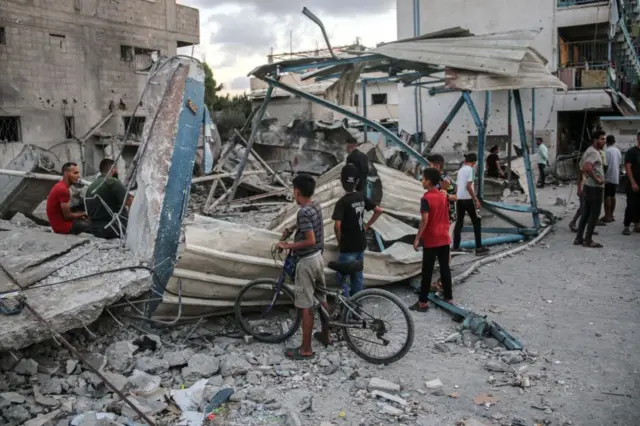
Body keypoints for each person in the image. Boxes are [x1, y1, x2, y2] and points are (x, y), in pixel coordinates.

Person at [278, 173, 330, 359]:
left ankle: (306, 349)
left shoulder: (303, 212)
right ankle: (326, 335)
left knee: (305, 305)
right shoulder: (314, 205)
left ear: (297, 191)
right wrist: (292, 228)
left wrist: (287, 245)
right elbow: (308, 224)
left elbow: (310, 240)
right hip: (318, 258)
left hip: (307, 261)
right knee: (321, 296)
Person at [331, 164, 383, 297]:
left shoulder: (342, 202)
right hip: (360, 243)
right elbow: (378, 211)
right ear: (358, 181)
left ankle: (346, 305)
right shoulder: (361, 196)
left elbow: (337, 226)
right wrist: (367, 226)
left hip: (348, 246)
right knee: (358, 276)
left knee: (342, 277)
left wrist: (339, 241)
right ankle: (357, 307)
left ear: (341, 181)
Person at [410, 168, 453, 312]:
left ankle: (422, 303)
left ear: (427, 181)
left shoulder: (426, 198)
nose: (422, 181)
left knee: (427, 271)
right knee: (445, 269)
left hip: (431, 239)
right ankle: (449, 298)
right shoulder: (443, 196)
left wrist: (417, 238)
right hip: (444, 238)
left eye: (423, 178)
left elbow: (424, 220)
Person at [85, 159, 133, 239]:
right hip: (113, 229)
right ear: (113, 169)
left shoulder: (91, 186)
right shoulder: (113, 182)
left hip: (95, 230)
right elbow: (130, 202)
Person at [453, 153, 489, 256]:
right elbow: (469, 186)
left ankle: (455, 247)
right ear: (474, 162)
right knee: (476, 222)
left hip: (459, 199)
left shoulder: (460, 170)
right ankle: (478, 247)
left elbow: (456, 186)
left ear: (465, 161)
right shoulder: (471, 170)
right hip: (468, 199)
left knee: (459, 222)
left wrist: (457, 195)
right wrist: (475, 199)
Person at [574, 130, 606, 247]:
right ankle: (588, 240)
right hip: (595, 188)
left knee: (586, 214)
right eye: (602, 139)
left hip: (588, 187)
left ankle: (579, 238)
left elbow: (581, 168)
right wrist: (598, 180)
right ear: (595, 140)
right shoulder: (594, 153)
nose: (604, 141)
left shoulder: (588, 151)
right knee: (594, 214)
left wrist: (580, 187)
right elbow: (587, 167)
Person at [46, 162, 89, 235]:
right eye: (75, 173)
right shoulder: (63, 189)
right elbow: (67, 216)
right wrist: (83, 214)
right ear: (66, 174)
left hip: (59, 223)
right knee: (93, 226)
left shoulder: (61, 185)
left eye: (78, 173)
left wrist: (79, 215)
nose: (78, 176)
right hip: (63, 227)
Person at [622, 131, 640, 235]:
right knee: (631, 204)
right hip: (633, 183)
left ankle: (637, 224)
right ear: (638, 138)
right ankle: (626, 226)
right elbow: (628, 168)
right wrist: (633, 183)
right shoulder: (632, 152)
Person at [602, 135, 621, 223]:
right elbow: (620, 163)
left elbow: (605, 165)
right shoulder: (618, 151)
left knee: (607, 196)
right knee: (613, 196)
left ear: (607, 142)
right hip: (615, 176)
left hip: (608, 177)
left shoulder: (607, 151)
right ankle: (611, 215)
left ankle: (607, 216)